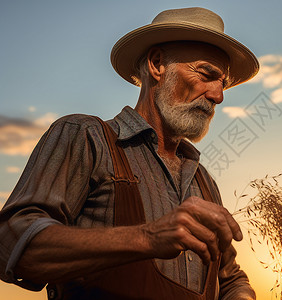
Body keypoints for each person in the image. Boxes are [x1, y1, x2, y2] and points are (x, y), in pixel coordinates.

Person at [0, 7, 259, 300]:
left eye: (222, 82)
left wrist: (241, 295)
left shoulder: (204, 182)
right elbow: (11, 242)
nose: (218, 96)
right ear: (158, 65)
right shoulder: (86, 137)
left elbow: (230, 278)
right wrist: (148, 237)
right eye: (206, 74)